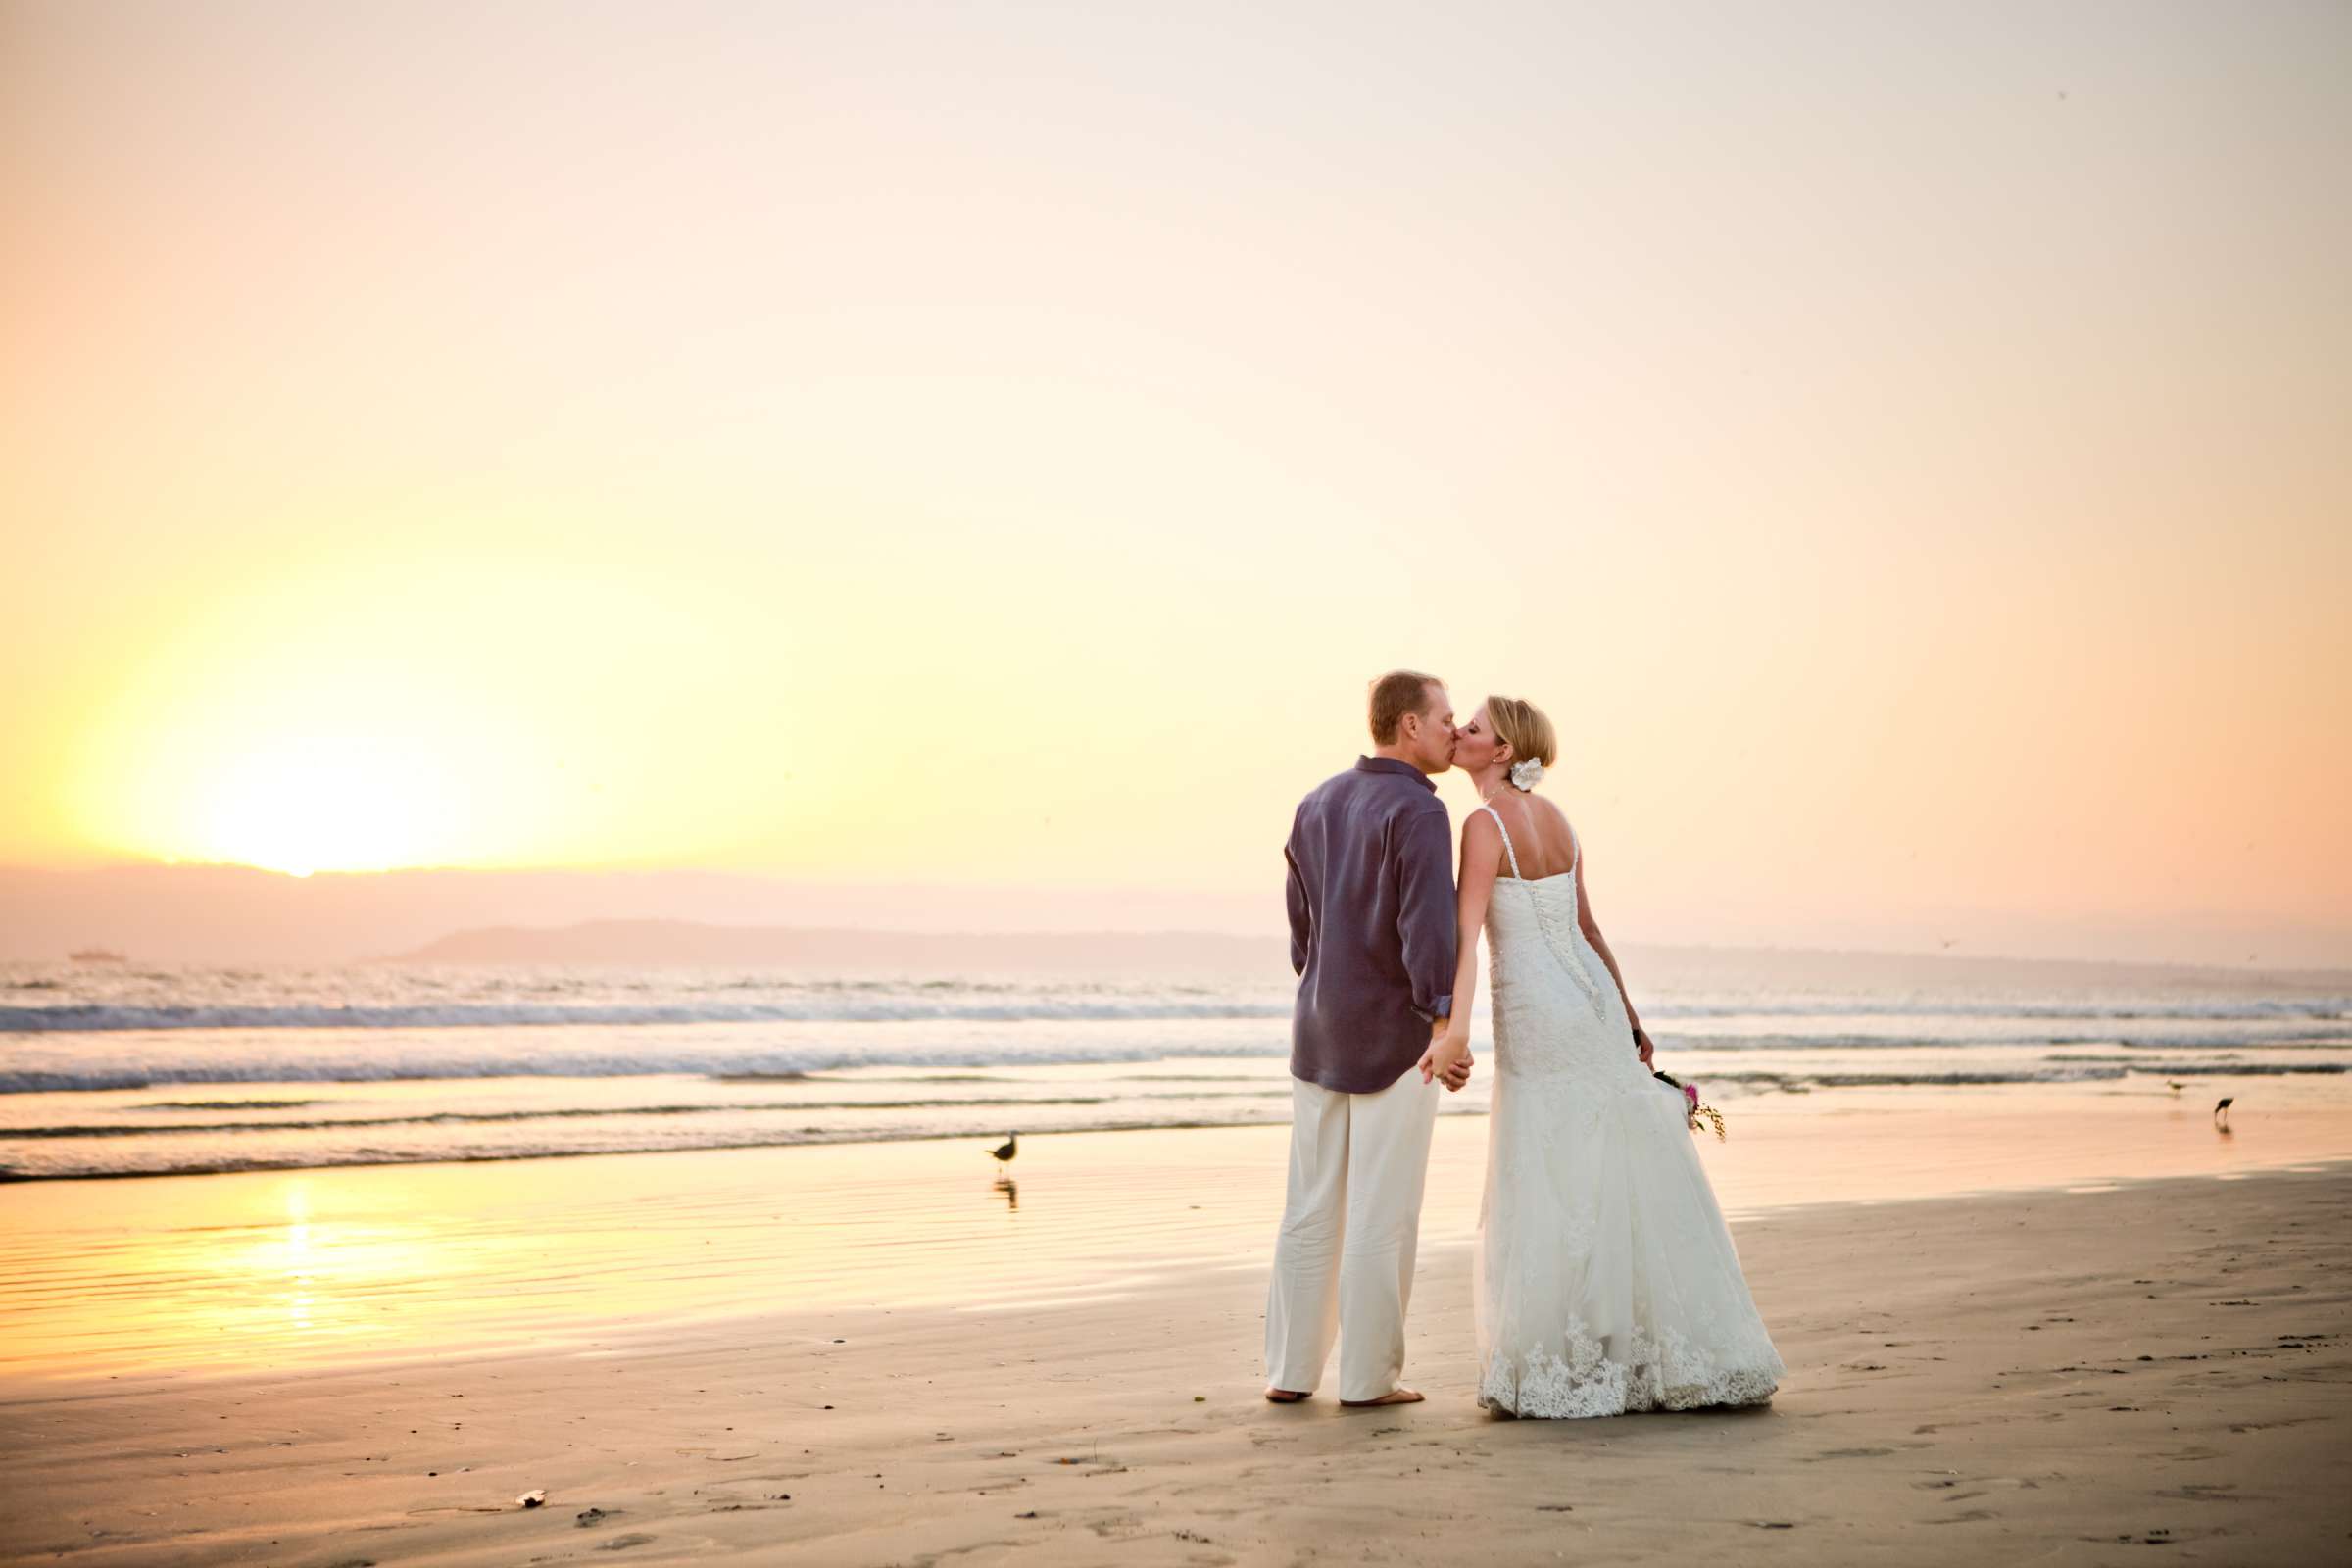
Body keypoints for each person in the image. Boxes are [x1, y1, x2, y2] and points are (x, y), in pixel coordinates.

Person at [1434, 695, 1784, 1418]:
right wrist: (1628, 1015)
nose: (1460, 735)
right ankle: (1648, 1350)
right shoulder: (1558, 819)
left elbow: (1466, 937)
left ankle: (1563, 1364)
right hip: (1590, 1006)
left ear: (1501, 752)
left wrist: (1455, 1031)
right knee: (1610, 1167)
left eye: (1474, 729)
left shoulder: (1483, 823)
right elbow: (1588, 928)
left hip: (1539, 1016)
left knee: (1550, 1170)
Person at [1264, 670, 1472, 1408]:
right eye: (1446, 717)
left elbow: (1301, 929)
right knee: (1383, 1211)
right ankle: (1367, 1379)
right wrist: (1442, 1019)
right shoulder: (1418, 810)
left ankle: (1290, 1373)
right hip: (1393, 1038)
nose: (1456, 729)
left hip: (1316, 1028)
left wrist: (1325, 979)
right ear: (1409, 726)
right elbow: (1428, 929)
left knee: (1311, 1206)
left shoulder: (1315, 801)